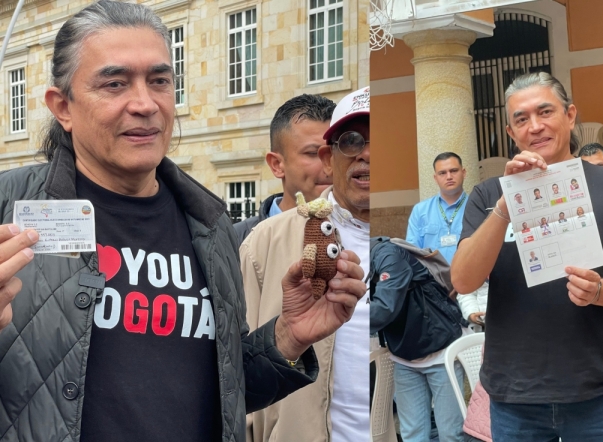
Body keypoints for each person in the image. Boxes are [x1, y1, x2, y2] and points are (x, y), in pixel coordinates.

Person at [0, 3, 367, 441]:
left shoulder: (210, 226)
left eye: (159, 81)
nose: (145, 104)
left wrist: (289, 337)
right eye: (115, 84)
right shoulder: (10, 207)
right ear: (63, 106)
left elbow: (223, 394)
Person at [452, 72, 603, 442]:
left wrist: (602, 292)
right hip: (514, 396)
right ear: (510, 132)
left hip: (597, 393)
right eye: (521, 119)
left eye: (545, 112)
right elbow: (463, 281)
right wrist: (506, 204)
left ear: (570, 115)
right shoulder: (487, 195)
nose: (535, 126)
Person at [240, 87, 370, 442]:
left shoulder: (410, 237)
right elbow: (236, 366)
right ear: (332, 157)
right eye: (352, 142)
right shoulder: (260, 242)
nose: (367, 155)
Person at [369, 238, 466, 442]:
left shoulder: (388, 255)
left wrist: (343, 323)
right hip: (404, 357)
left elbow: (384, 308)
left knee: (450, 434)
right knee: (413, 434)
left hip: (441, 351)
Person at [233, 95, 335, 243]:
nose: (330, 164)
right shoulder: (236, 241)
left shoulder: (361, 234)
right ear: (277, 164)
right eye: (313, 153)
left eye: (337, 151)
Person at [406, 152, 467, 264]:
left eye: (453, 171)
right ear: (435, 178)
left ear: (463, 173)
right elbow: (412, 253)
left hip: (469, 278)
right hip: (430, 279)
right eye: (442, 173)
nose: (449, 177)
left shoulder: (476, 207)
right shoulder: (420, 210)